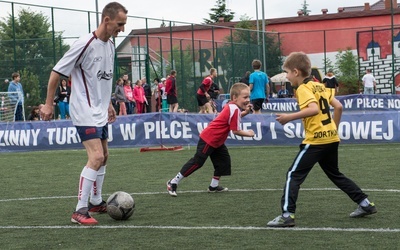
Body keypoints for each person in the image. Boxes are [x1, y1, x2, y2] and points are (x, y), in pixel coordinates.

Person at [40, 2, 128, 225]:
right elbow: (55, 73)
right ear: (106, 20)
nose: (122, 29)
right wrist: (49, 104)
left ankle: (96, 201)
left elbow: (103, 79)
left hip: (99, 110)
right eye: (120, 24)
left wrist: (108, 104)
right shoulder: (84, 43)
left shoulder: (109, 46)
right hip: (83, 110)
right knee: (96, 157)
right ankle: (79, 211)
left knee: (105, 156)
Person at [266, 52, 376, 228]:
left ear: (296, 72)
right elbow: (338, 106)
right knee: (335, 174)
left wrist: (289, 117)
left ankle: (287, 215)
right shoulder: (319, 86)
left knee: (293, 175)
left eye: (286, 72)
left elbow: (314, 109)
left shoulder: (303, 88)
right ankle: (365, 204)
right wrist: (334, 129)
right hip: (331, 137)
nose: (286, 76)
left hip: (316, 140)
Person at [166, 82, 255, 197]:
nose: (248, 100)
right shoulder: (234, 108)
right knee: (197, 162)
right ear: (234, 98)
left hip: (217, 141)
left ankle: (213, 186)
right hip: (210, 139)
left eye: (249, 97)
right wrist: (249, 133)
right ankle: (173, 182)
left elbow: (231, 119)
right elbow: (235, 130)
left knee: (224, 161)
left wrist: (246, 112)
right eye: (245, 97)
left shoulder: (233, 106)